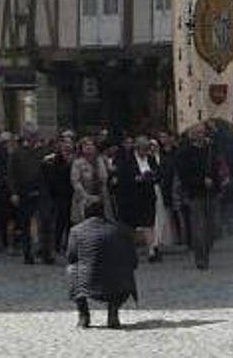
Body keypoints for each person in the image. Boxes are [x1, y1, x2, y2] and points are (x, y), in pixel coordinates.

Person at [67, 198, 138, 329]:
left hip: (87, 281)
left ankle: (83, 315)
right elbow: (133, 259)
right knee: (126, 269)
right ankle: (113, 311)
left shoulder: (76, 231)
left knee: (72, 270)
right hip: (118, 282)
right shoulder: (121, 229)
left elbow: (71, 256)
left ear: (84, 212)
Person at [176, 123, 223, 269]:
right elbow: (184, 175)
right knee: (199, 227)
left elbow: (217, 168)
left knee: (213, 226)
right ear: (192, 135)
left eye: (203, 132)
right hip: (195, 194)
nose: (201, 135)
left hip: (212, 193)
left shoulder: (210, 150)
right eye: (198, 133)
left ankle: (206, 249)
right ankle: (201, 257)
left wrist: (216, 183)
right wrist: (200, 181)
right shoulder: (184, 153)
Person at [7, 124, 52, 264]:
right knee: (25, 224)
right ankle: (28, 254)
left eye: (35, 135)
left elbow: (52, 172)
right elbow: (11, 175)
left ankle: (46, 253)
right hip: (24, 192)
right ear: (25, 136)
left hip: (43, 191)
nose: (33, 137)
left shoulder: (46, 151)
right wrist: (14, 193)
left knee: (45, 221)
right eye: (30, 135)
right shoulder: (17, 152)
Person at [116, 136, 161, 262]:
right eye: (142, 149)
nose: (144, 152)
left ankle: (152, 250)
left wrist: (152, 177)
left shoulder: (151, 159)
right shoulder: (128, 162)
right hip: (133, 197)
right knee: (132, 225)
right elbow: (123, 179)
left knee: (149, 223)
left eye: (146, 149)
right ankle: (131, 251)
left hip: (148, 195)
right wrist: (136, 179)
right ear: (137, 149)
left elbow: (158, 174)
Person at [44, 135, 75, 254]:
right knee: (60, 220)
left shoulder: (75, 157)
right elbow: (54, 175)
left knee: (71, 221)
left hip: (72, 193)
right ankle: (57, 244)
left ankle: (69, 244)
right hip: (60, 194)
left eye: (69, 142)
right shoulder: (55, 158)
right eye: (65, 142)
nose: (67, 145)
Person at [70, 136, 112, 225]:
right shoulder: (77, 162)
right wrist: (87, 197)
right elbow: (75, 182)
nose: (89, 147)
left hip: (101, 197)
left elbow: (105, 178)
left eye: (91, 145)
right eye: (85, 145)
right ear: (81, 148)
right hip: (84, 199)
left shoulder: (101, 160)